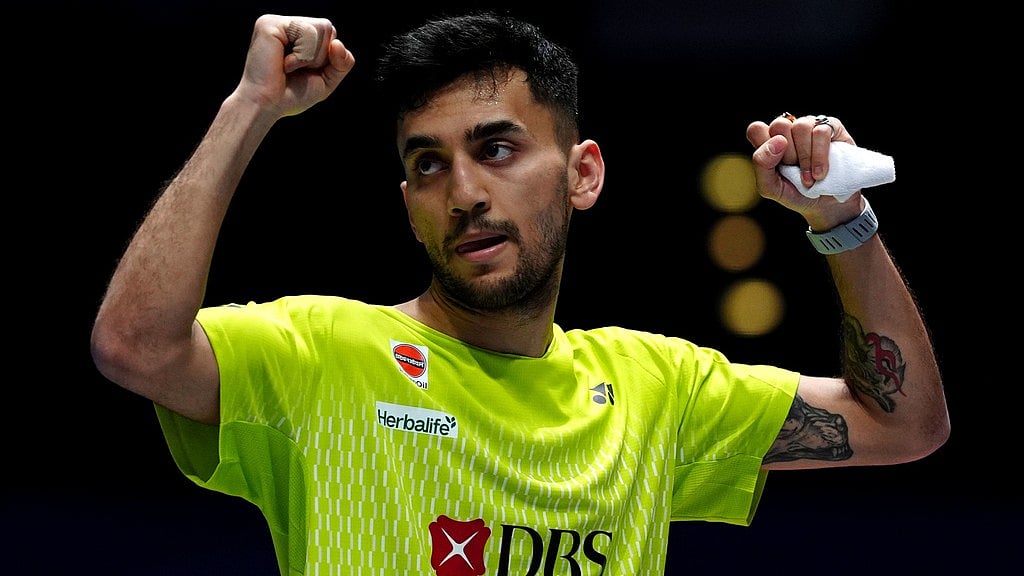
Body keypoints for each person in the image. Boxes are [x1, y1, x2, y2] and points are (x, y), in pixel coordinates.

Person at [90, 10, 949, 575]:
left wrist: (842, 220)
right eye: (430, 165)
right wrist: (250, 106)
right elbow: (136, 347)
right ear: (409, 207)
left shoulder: (657, 391)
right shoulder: (321, 356)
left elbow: (905, 425)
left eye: (496, 149)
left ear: (583, 174)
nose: (464, 193)